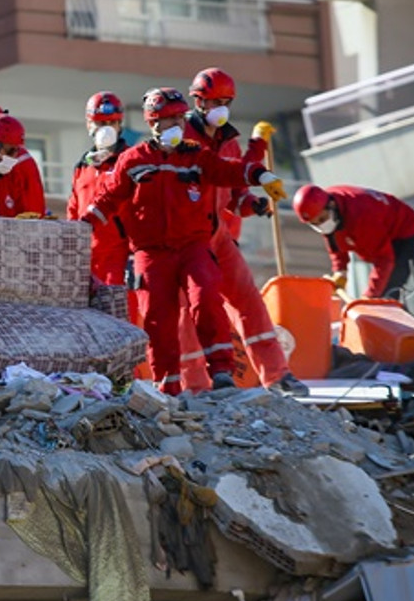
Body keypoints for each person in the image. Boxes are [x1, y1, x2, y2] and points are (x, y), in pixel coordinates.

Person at [83, 88, 282, 396]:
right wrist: (81, 228)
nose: (177, 123)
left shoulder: (195, 156)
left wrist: (258, 175)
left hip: (193, 247)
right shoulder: (133, 160)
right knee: (158, 321)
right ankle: (168, 386)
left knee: (206, 298)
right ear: (153, 122)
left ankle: (222, 372)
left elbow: (226, 171)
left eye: (179, 116)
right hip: (151, 254)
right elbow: (107, 199)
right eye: (169, 118)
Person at [176, 67, 306, 395]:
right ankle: (195, 384)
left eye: (226, 101)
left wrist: (253, 205)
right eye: (213, 101)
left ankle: (277, 376)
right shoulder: (180, 139)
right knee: (189, 315)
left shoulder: (229, 142)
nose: (220, 107)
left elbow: (234, 198)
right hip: (185, 240)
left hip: (218, 237)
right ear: (198, 101)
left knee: (249, 301)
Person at [293, 184, 414, 301]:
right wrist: (340, 271)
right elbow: (333, 239)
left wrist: (370, 296)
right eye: (315, 224)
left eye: (322, 219)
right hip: (382, 237)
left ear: (331, 205)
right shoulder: (329, 209)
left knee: (387, 294)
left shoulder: (361, 215)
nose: (322, 225)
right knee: (384, 296)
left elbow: (384, 258)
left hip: (405, 234)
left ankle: (404, 327)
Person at [66, 92, 131, 286]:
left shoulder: (130, 161)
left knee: (121, 313)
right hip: (85, 259)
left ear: (120, 125)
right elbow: (73, 210)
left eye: (112, 123)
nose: (106, 130)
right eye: (100, 123)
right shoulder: (82, 166)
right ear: (89, 124)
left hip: (120, 256)